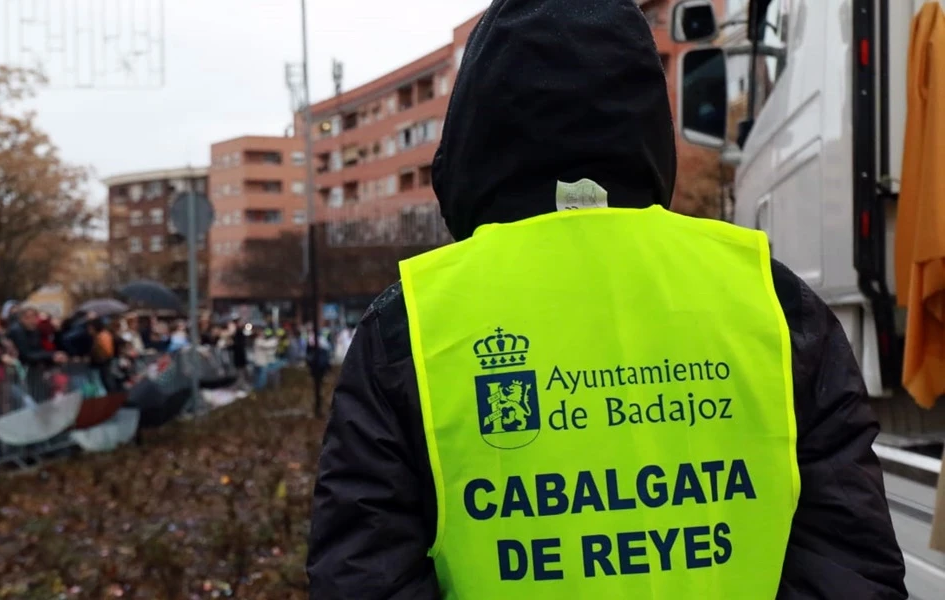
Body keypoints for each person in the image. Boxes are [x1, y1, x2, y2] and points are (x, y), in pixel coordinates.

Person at [306, 2, 906, 599]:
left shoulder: (410, 324)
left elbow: (364, 577)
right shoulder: (774, 301)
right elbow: (849, 566)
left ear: (473, 131)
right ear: (647, 119)